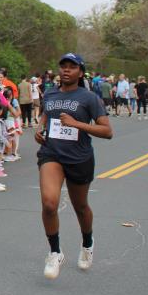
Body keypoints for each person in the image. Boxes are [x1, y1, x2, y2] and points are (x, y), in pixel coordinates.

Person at [35, 53, 113, 280]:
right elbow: (46, 116)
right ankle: (55, 252)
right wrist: (40, 129)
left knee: (80, 206)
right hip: (51, 154)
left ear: (80, 72)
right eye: (63, 66)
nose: (66, 70)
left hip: (79, 157)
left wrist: (77, 124)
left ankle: (87, 243)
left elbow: (107, 131)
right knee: (49, 203)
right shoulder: (50, 93)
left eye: (72, 67)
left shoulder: (89, 98)